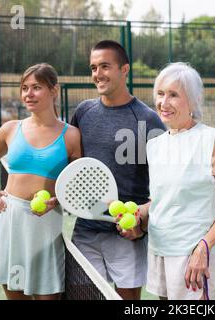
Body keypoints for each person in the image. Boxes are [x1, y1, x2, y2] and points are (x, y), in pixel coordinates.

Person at [123, 62, 215, 300]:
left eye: (173, 95)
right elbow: (160, 200)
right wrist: (138, 216)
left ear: (194, 101)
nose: (164, 103)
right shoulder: (154, 146)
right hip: (159, 250)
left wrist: (204, 247)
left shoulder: (211, 140)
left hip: (194, 256)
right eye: (161, 94)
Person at [68, 40, 166, 300]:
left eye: (105, 66)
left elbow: (165, 183)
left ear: (125, 70)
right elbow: (61, 147)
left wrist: (140, 225)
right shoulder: (83, 112)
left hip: (126, 234)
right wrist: (5, 136)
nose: (97, 74)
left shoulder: (148, 119)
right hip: (85, 230)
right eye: (93, 67)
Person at [0, 63, 82, 300]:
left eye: (36, 87)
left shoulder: (71, 135)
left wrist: (57, 201)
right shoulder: (9, 129)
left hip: (46, 225)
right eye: (24, 88)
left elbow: (77, 186)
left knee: (48, 297)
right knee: (15, 294)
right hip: (9, 219)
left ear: (54, 91)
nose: (28, 94)